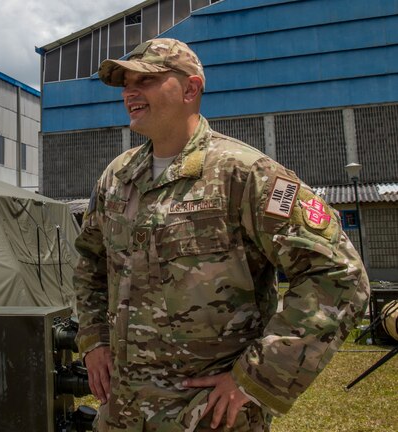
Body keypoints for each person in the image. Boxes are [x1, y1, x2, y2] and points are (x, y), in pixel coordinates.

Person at [74, 38, 369, 432]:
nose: (129, 91)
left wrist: (257, 378)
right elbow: (90, 261)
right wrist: (94, 338)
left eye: (145, 80)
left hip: (206, 416)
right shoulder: (118, 176)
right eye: (126, 83)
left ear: (191, 89)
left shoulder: (245, 175)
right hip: (122, 413)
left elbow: (339, 276)